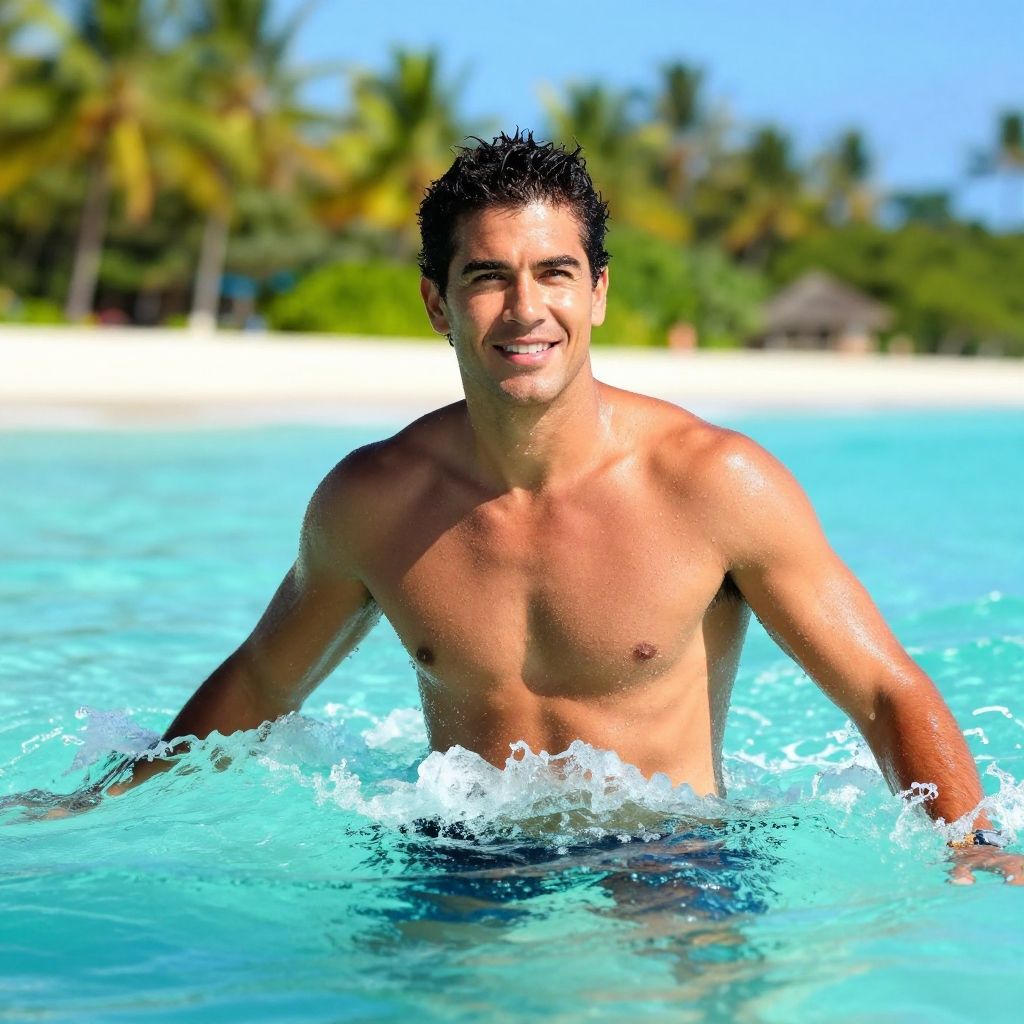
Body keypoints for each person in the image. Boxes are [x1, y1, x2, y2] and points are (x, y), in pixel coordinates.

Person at [105, 132, 1013, 875]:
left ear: (598, 292)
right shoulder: (374, 501)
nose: (524, 308)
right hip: (464, 849)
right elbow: (263, 681)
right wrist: (104, 804)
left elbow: (886, 691)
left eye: (555, 273)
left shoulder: (713, 484)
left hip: (671, 852)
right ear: (437, 303)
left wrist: (970, 846)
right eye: (487, 276)